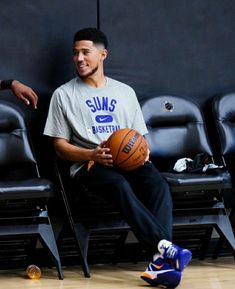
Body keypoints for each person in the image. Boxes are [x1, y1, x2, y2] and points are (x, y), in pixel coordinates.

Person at [44, 27, 192, 287]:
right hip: (88, 163)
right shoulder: (63, 95)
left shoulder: (125, 92)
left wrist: (142, 150)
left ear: (103, 54)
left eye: (85, 52)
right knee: (118, 184)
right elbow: (59, 147)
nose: (78, 58)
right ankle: (165, 249)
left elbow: (140, 138)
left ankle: (160, 259)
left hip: (126, 162)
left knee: (158, 184)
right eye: (75, 53)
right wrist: (92, 153)